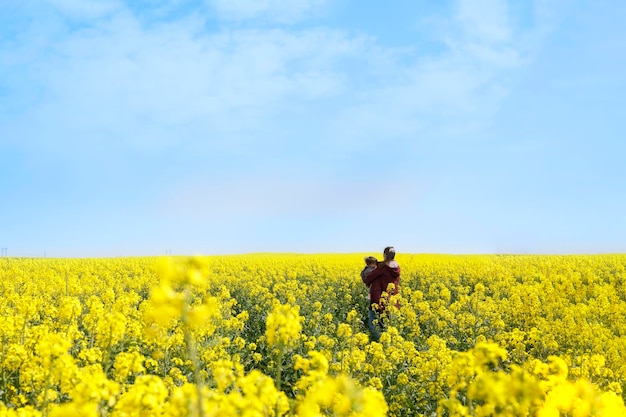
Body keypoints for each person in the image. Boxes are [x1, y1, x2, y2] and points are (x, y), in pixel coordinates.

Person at [363, 246, 401, 342]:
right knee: (387, 326)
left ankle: (382, 344)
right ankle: (389, 345)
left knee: (373, 325)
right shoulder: (396, 269)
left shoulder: (382, 269)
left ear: (384, 255)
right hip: (392, 303)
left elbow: (368, 279)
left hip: (378, 302)